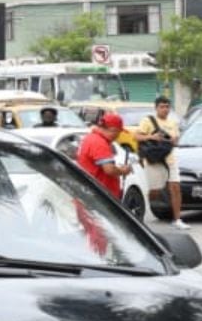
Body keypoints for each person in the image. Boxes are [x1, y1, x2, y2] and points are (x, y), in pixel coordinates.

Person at [135, 96, 188, 229]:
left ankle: (177, 219)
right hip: (155, 160)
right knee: (155, 191)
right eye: (162, 107)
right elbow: (136, 136)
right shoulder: (148, 121)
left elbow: (175, 141)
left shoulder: (173, 123)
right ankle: (141, 214)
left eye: (167, 107)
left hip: (170, 158)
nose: (165, 109)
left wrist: (173, 140)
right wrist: (151, 136)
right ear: (156, 108)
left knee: (175, 188)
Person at [75, 112, 130, 198]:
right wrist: (123, 171)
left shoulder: (91, 137)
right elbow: (109, 170)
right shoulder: (99, 143)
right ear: (113, 130)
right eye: (118, 132)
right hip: (98, 196)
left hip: (92, 192)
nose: (118, 136)